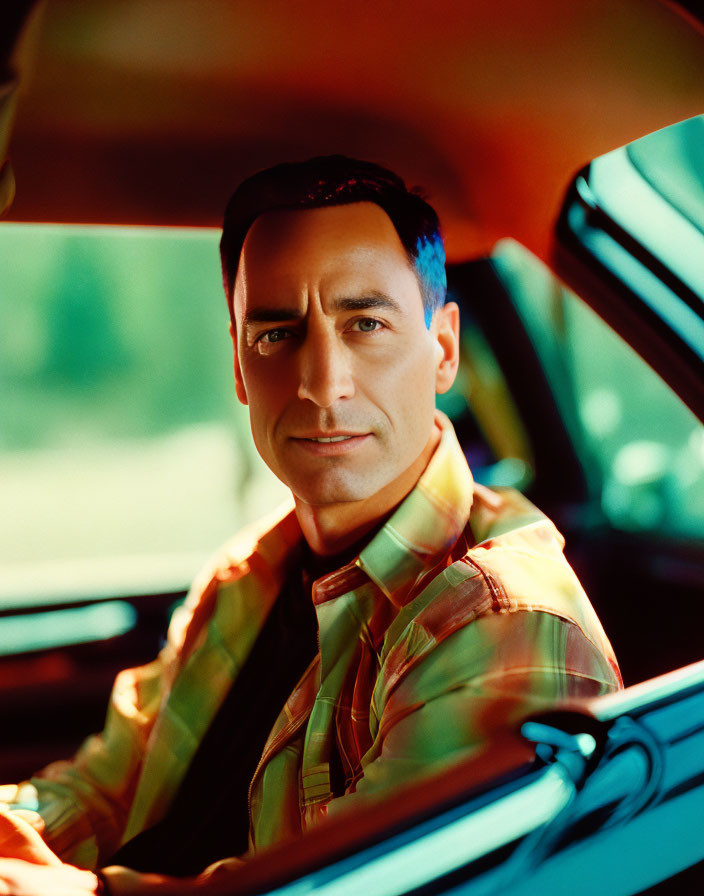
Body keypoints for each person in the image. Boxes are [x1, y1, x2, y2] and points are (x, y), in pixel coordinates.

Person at [0, 155, 621, 894]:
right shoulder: (246, 576)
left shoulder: (499, 622)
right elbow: (107, 788)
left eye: (365, 323)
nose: (323, 382)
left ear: (444, 350)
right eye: (276, 334)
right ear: (238, 366)